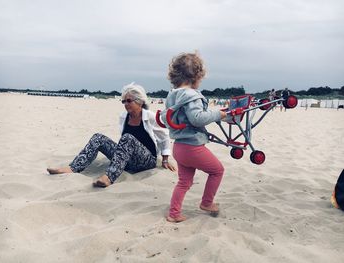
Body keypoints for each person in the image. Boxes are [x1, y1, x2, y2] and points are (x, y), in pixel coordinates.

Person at [47, 82, 176, 187]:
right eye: (123, 101)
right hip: (126, 161)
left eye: (129, 101)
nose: (125, 104)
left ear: (140, 101)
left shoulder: (151, 116)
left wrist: (165, 159)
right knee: (98, 137)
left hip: (146, 161)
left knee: (128, 138)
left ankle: (109, 177)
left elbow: (164, 136)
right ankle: (73, 168)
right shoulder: (123, 117)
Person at [163, 52, 228, 223]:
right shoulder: (192, 96)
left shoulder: (173, 95)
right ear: (197, 76)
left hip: (178, 147)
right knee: (217, 170)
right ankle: (207, 203)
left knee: (184, 182)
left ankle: (174, 213)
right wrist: (218, 114)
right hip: (192, 147)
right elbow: (197, 118)